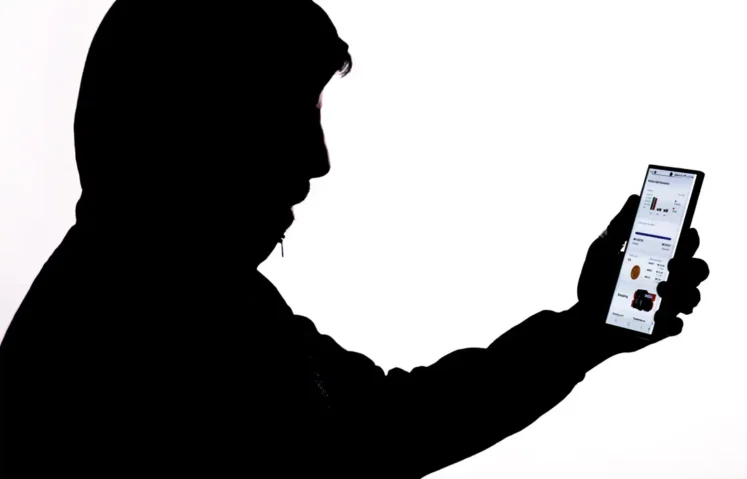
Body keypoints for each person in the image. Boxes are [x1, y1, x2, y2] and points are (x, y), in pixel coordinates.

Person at [0, 2, 710, 477]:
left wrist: (588, 330)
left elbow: (389, 423)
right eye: (291, 113)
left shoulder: (203, 301)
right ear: (197, 124)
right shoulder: (152, 330)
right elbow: (387, 433)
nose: (318, 160)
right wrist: (583, 334)